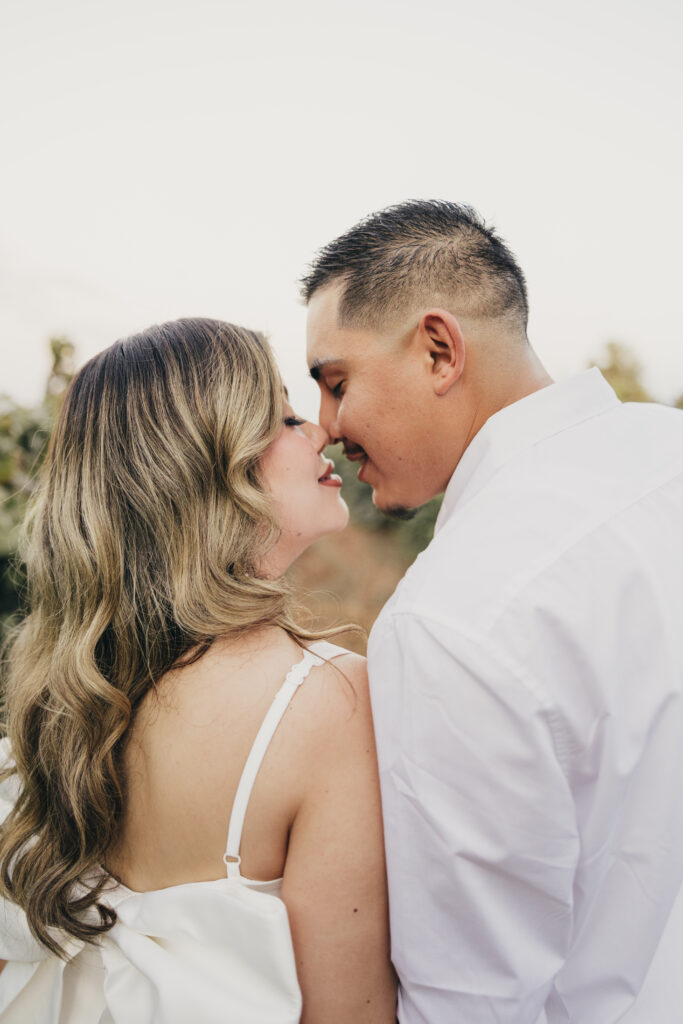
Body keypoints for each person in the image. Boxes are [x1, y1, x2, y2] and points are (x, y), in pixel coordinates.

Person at [302, 200, 683, 1023]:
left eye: (336, 383)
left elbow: (470, 1001)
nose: (325, 428)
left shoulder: (448, 620)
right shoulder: (669, 450)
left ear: (439, 351)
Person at [0, 318, 397, 1023]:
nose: (319, 431)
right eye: (283, 418)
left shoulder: (55, 710)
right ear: (210, 466)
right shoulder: (325, 700)